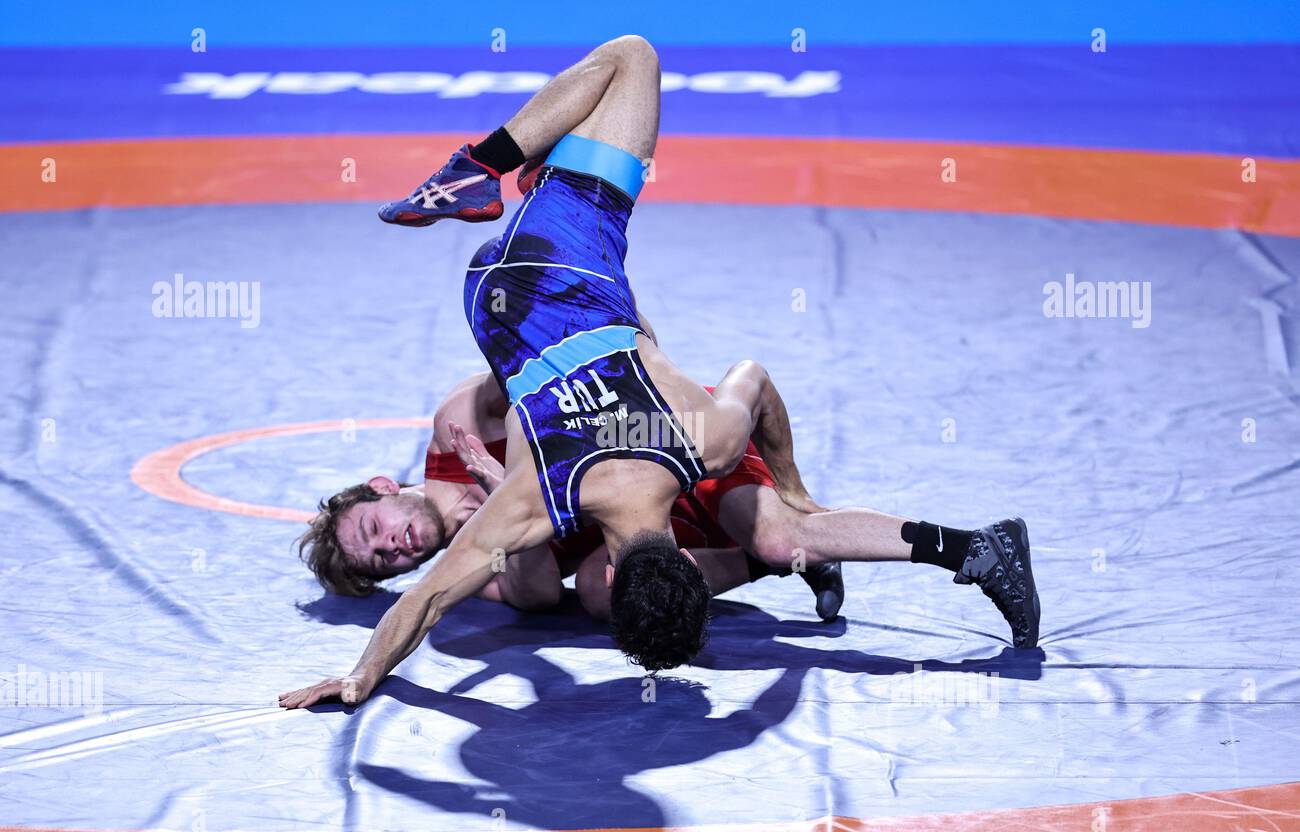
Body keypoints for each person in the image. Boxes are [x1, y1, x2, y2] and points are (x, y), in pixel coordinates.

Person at [279, 35, 1039, 710]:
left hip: (572, 252)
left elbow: (748, 378)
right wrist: (360, 675)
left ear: (676, 557)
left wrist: (779, 474)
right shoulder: (538, 495)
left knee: (633, 57)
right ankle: (509, 170)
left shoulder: (689, 443)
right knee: (625, 67)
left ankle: (490, 167)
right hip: (491, 298)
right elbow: (424, 604)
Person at [297, 368, 846, 619]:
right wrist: (501, 492)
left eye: (375, 528)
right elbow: (536, 596)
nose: (393, 545)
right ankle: (777, 563)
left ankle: (798, 527)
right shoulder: (473, 569)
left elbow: (543, 366)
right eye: (386, 562)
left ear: (383, 487)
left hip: (673, 447)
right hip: (653, 522)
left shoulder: (456, 423)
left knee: (783, 530)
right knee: (596, 589)